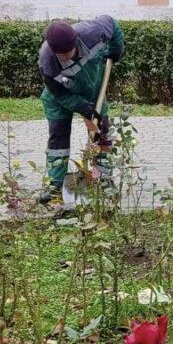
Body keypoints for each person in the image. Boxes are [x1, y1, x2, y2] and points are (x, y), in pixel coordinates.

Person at [37, 16, 124, 204]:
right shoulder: (47, 60)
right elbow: (59, 94)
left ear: (76, 40)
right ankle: (54, 185)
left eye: (69, 51)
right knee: (58, 140)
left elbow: (113, 24)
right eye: (61, 54)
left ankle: (105, 179)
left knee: (101, 135)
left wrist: (115, 50)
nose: (66, 56)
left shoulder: (92, 31)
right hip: (59, 99)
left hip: (94, 92)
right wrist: (83, 108)